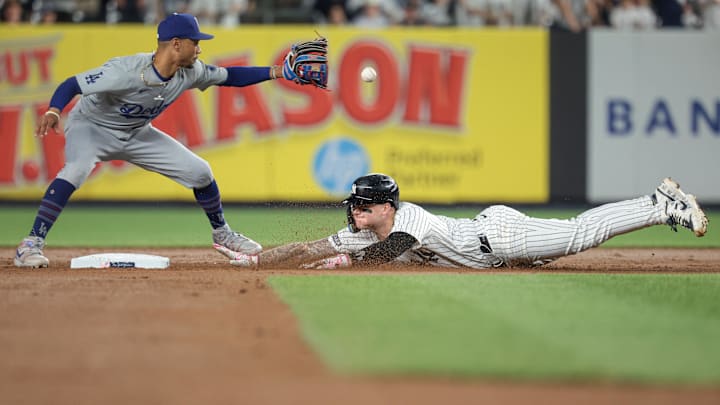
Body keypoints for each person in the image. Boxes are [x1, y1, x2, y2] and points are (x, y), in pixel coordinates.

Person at [14, 13, 300, 268]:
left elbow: (229, 76)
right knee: (75, 171)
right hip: (91, 127)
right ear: (176, 44)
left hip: (136, 132)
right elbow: (72, 84)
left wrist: (276, 72)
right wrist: (54, 109)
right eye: (195, 42)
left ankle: (222, 233)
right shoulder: (124, 70)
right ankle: (31, 244)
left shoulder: (191, 71)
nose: (199, 48)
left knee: (201, 172)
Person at [214, 173, 709, 270]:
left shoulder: (408, 220)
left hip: (498, 236)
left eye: (364, 205)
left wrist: (344, 261)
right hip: (492, 254)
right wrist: (257, 260)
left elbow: (383, 257)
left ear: (387, 206)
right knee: (558, 251)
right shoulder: (369, 227)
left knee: (577, 234)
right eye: (354, 205)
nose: (356, 211)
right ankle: (655, 204)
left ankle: (658, 203)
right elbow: (310, 248)